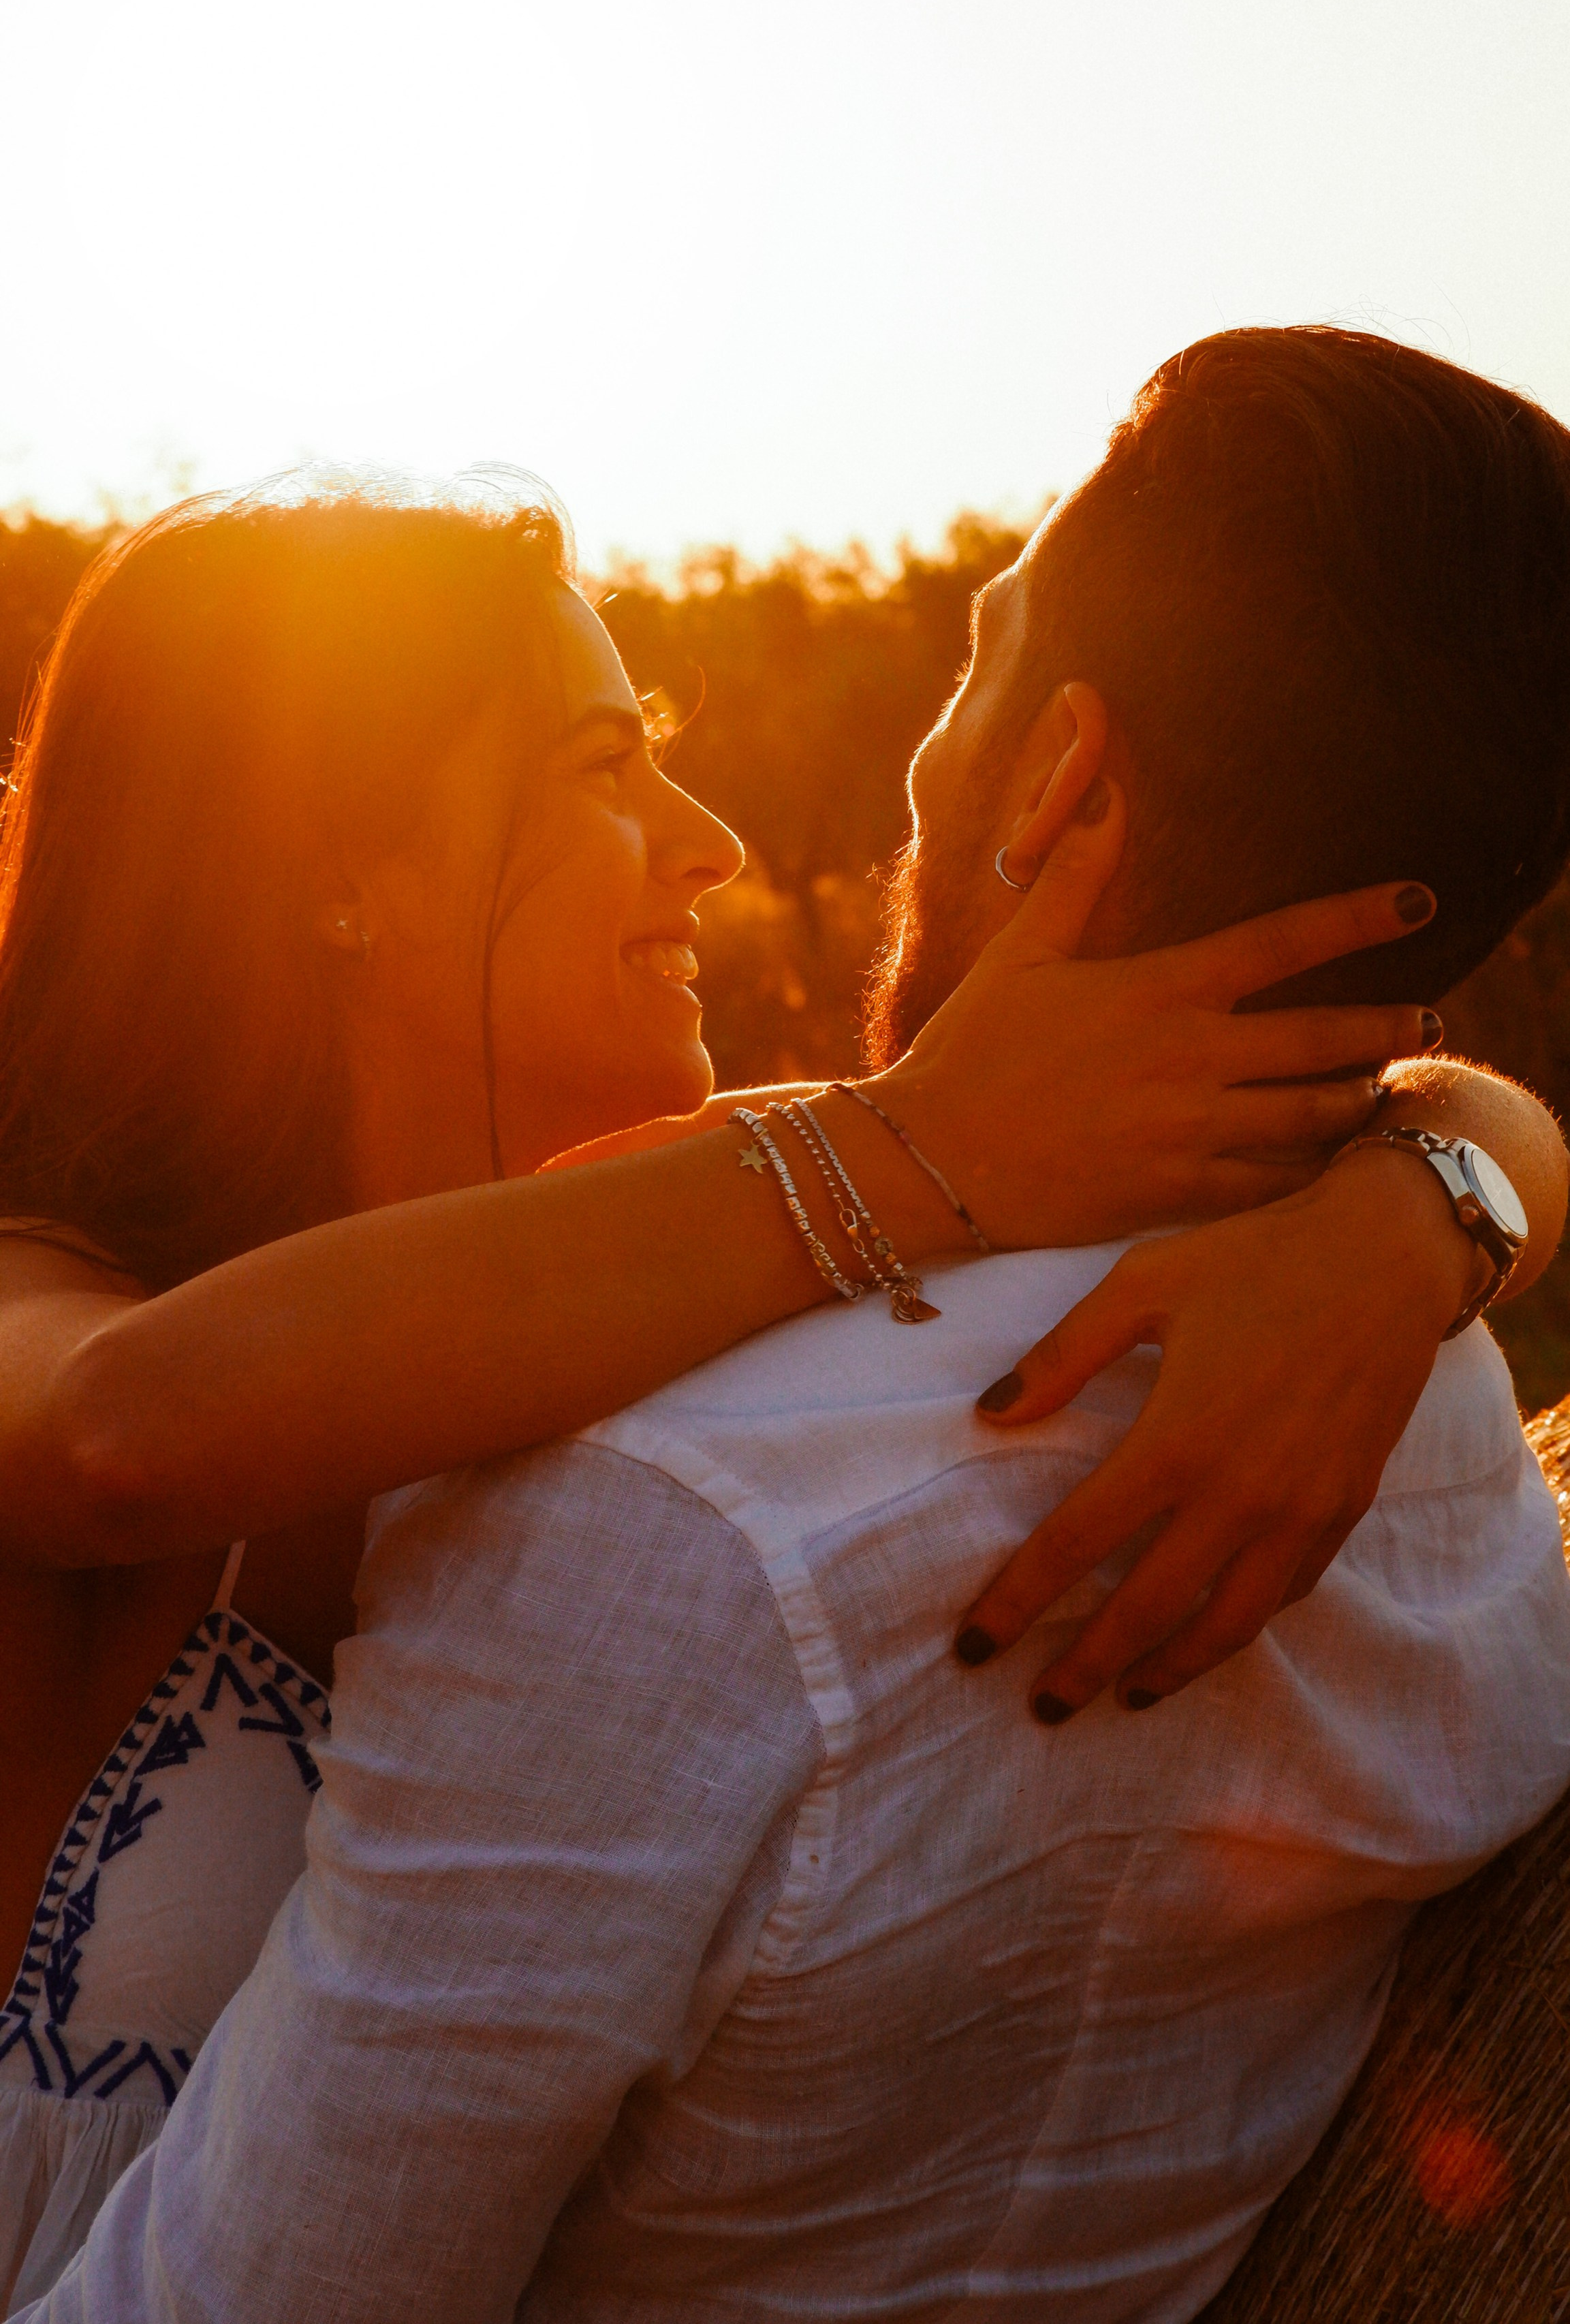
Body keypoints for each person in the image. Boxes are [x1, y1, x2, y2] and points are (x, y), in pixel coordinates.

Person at [18, 326, 1570, 2323]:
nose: (718, 841)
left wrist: (1421, 1196)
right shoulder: (54, 1284)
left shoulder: (727, 1243)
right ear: (336, 866)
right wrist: (932, 1137)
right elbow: (129, 1432)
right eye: (605, 764)